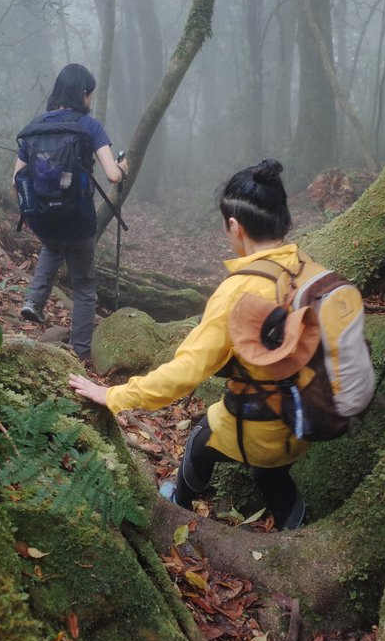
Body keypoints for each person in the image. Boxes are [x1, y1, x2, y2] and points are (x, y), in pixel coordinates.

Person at [69, 159, 311, 529]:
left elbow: (187, 371)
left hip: (268, 424)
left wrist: (115, 396)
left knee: (201, 437)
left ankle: (178, 504)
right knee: (271, 475)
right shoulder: (307, 268)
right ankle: (296, 528)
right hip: (312, 414)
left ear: (234, 226)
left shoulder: (239, 290)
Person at [13, 63, 128, 359]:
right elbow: (113, 175)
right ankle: (80, 350)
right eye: (90, 94)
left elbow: (17, 177)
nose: (90, 100)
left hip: (43, 216)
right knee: (84, 284)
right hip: (78, 217)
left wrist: (33, 209)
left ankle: (33, 301)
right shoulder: (89, 126)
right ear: (83, 93)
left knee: (52, 249)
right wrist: (122, 168)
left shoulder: (36, 126)